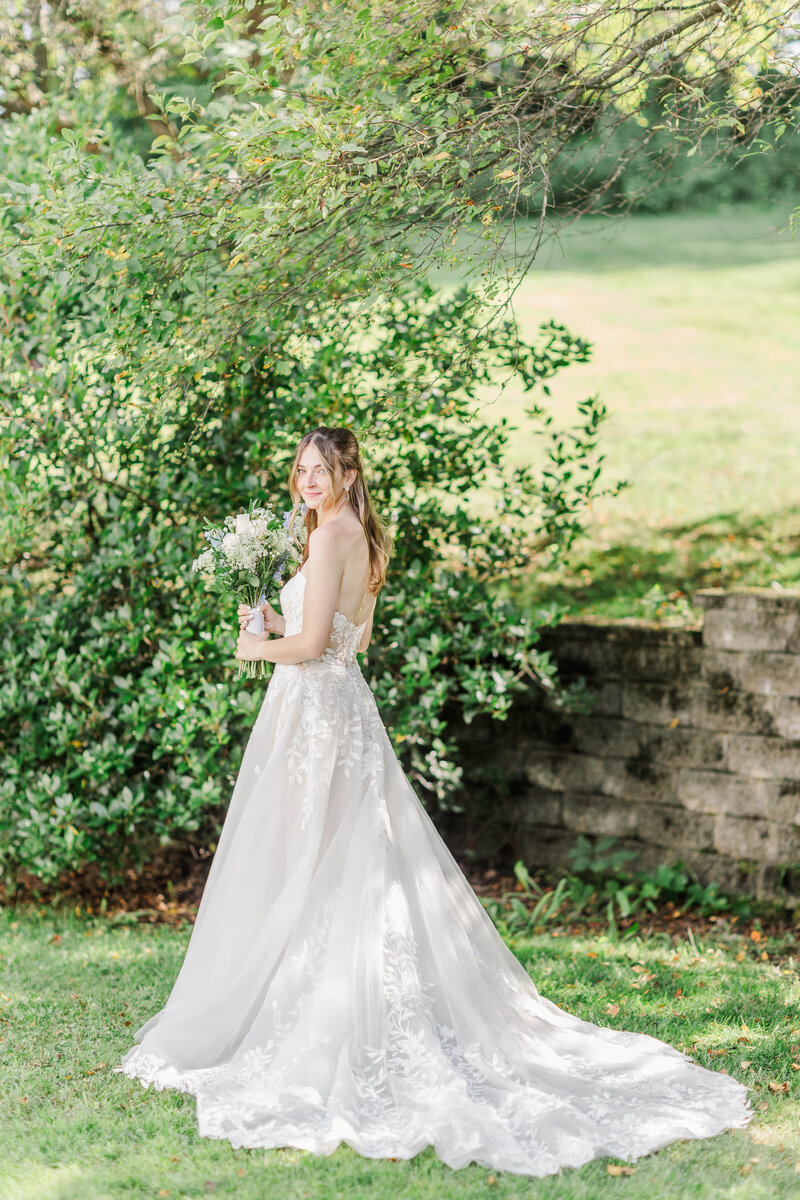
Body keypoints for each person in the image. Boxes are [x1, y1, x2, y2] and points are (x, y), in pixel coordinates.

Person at [114, 425, 752, 1176]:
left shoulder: (328, 539)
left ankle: (308, 1016)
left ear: (349, 475)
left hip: (316, 716)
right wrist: (281, 625)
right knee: (338, 858)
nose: (307, 480)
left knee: (307, 859)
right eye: (301, 468)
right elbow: (347, 637)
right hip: (338, 707)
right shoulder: (357, 538)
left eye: (321, 469)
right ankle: (312, 999)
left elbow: (316, 644)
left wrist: (257, 645)